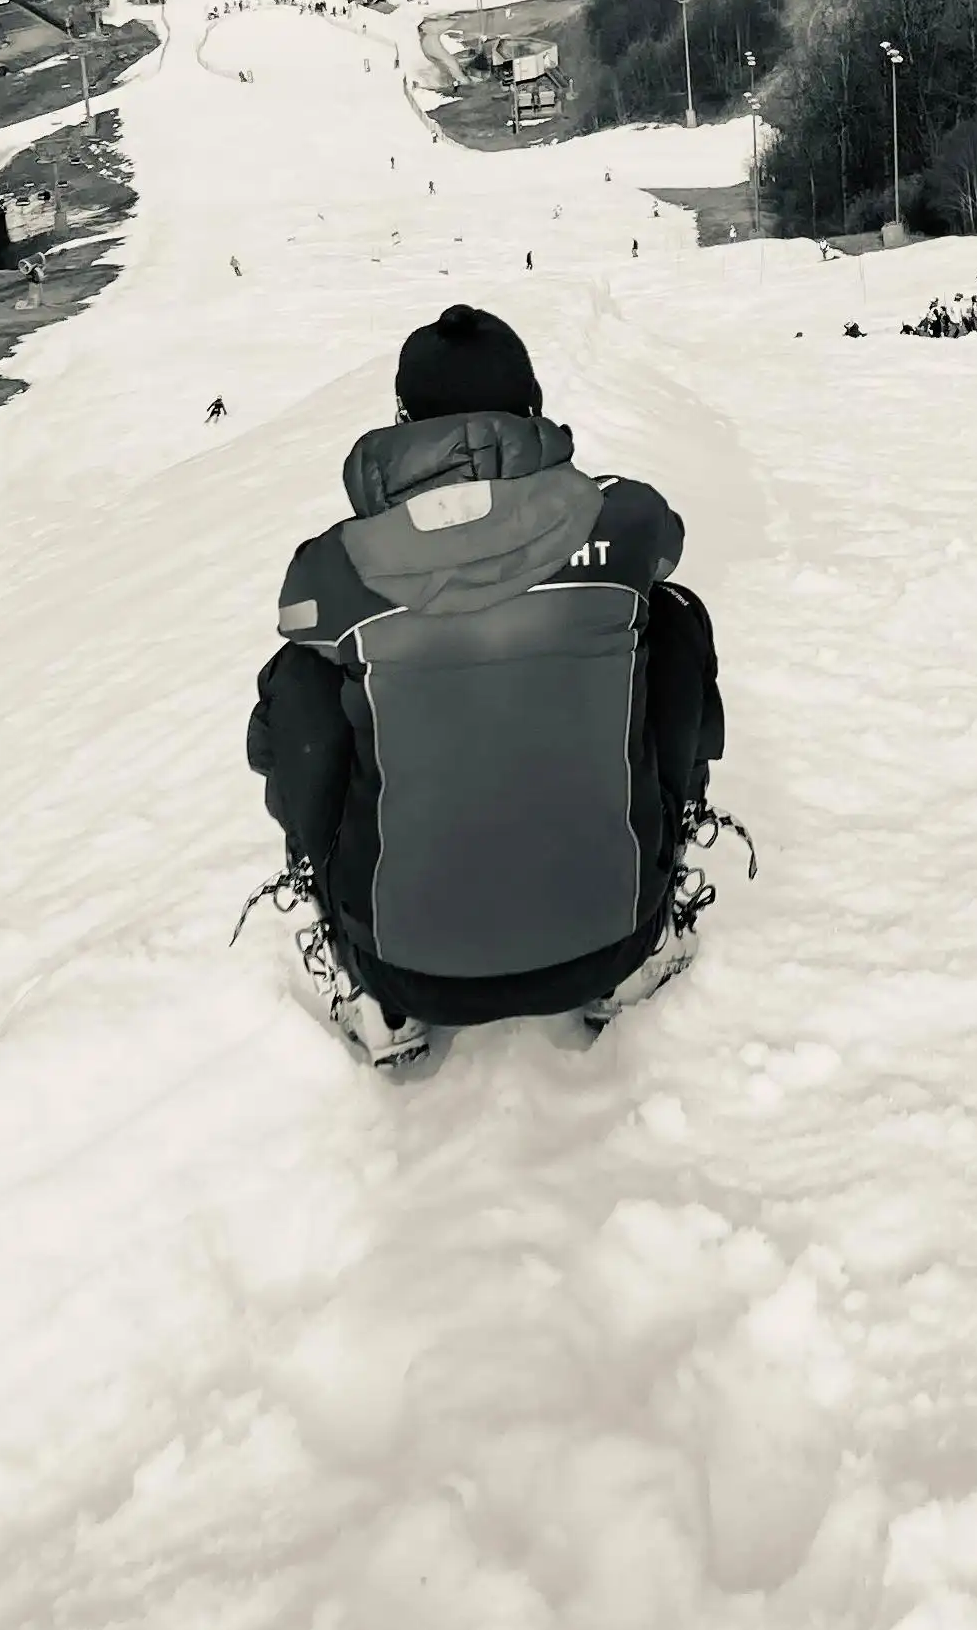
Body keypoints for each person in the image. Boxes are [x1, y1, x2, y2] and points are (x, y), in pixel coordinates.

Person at [246, 301, 723, 1066]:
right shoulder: (622, 517)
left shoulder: (333, 568)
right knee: (666, 620)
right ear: (531, 406)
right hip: (615, 935)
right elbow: (665, 548)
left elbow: (295, 623)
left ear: (402, 420)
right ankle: (653, 890)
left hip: (403, 968)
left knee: (304, 678)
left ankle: (368, 986)